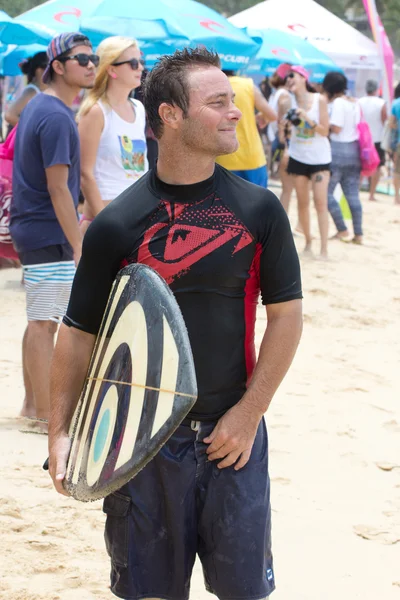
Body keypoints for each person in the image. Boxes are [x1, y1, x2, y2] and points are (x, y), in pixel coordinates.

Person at [48, 47, 303, 600]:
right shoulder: (116, 225)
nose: (236, 111)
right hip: (138, 444)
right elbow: (77, 331)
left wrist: (249, 413)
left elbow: (285, 317)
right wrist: (61, 431)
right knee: (150, 593)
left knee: (243, 591)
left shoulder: (259, 211)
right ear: (169, 114)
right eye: (217, 103)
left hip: (231, 436)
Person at [9, 32, 97, 426]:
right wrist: (78, 243)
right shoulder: (57, 115)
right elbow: (58, 187)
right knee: (46, 323)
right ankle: (45, 414)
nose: (91, 64)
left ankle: (33, 406)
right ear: (57, 66)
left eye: (93, 57)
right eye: (81, 59)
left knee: (39, 319)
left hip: (35, 227)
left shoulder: (39, 106)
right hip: (47, 229)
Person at [77, 36, 148, 235]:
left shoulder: (138, 109)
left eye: (141, 62)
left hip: (137, 219)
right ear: (111, 69)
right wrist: (106, 224)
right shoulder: (95, 111)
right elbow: (85, 174)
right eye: (133, 63)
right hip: (104, 220)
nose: (140, 68)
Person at [286, 66, 331, 258]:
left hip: (319, 159)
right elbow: (285, 128)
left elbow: (325, 131)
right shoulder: (288, 101)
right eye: (287, 78)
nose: (289, 80)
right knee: (302, 203)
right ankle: (308, 243)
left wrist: (307, 119)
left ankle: (324, 248)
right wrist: (286, 124)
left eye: (292, 76)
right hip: (298, 156)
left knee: (320, 202)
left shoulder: (319, 100)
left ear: (304, 78)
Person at [216, 70, 277, 187]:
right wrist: (262, 116)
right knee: (258, 203)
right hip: (252, 156)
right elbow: (272, 115)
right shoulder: (247, 85)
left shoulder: (213, 86)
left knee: (226, 204)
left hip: (223, 159)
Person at [323, 72, 363, 244]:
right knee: (353, 194)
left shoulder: (338, 103)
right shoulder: (354, 102)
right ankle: (359, 233)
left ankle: (342, 229)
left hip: (338, 150)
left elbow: (337, 128)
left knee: (325, 193)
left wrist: (326, 125)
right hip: (354, 150)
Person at [269, 63, 294, 211]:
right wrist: (283, 138)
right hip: (285, 139)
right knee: (288, 187)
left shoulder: (276, 93)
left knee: (286, 187)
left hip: (277, 137)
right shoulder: (284, 95)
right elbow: (283, 119)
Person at [358, 80, 387, 202]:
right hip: (377, 139)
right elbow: (383, 120)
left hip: (362, 139)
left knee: (360, 165)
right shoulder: (381, 103)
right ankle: (371, 194)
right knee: (377, 166)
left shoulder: (359, 102)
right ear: (376, 90)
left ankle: (357, 191)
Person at [4, 52, 48, 127]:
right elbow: (10, 116)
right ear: (39, 70)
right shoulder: (32, 91)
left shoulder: (40, 90)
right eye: (50, 68)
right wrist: (33, 130)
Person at [389, 82, 400, 205]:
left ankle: (397, 197)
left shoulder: (396, 103)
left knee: (397, 171)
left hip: (399, 141)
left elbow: (391, 123)